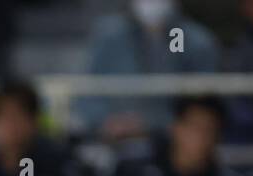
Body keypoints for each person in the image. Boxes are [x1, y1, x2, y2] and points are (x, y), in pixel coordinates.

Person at [76, 0, 221, 141]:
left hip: (172, 144)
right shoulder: (107, 35)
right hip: (112, 143)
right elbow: (87, 93)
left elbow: (203, 105)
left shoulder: (196, 42)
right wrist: (106, 122)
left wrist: (154, 123)